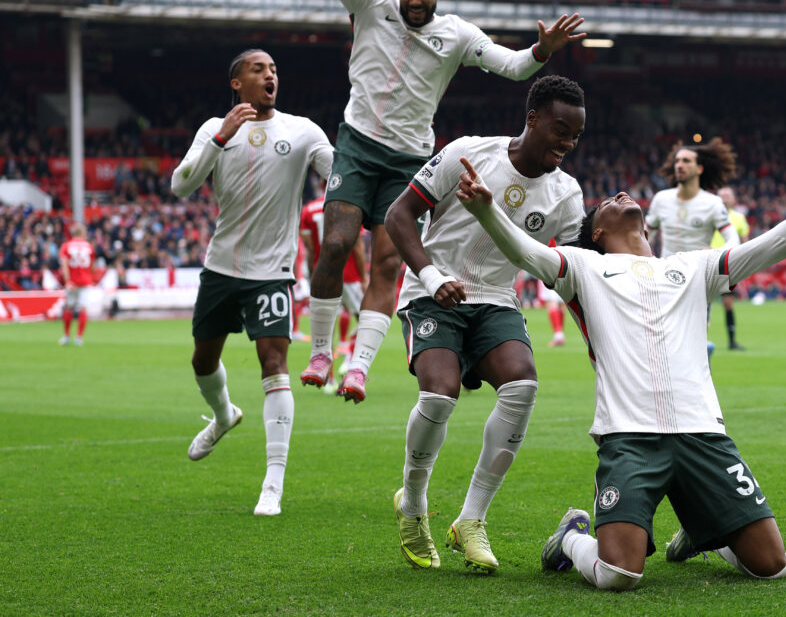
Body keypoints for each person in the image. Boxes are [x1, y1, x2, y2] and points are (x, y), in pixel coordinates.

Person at [455, 144, 786, 590]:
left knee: (771, 566)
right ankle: (569, 539)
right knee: (618, 574)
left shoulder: (694, 266)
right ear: (597, 232)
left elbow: (779, 241)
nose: (621, 193)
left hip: (703, 433)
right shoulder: (583, 267)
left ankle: (707, 532)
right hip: (630, 436)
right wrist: (488, 211)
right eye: (607, 203)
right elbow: (527, 254)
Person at [289, 0, 587, 405]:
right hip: (357, 142)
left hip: (409, 156)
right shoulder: (370, 2)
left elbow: (514, 68)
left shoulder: (457, 34)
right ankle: (319, 350)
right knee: (335, 243)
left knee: (386, 262)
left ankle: (357, 366)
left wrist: (541, 51)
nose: (414, 0)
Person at [382, 75, 587, 572]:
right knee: (439, 394)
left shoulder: (565, 194)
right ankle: (412, 504)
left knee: (522, 385)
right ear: (532, 118)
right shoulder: (469, 153)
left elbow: (583, 265)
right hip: (433, 294)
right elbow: (399, 214)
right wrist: (431, 277)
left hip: (495, 299)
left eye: (576, 135)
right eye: (560, 129)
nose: (567, 143)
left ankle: (471, 520)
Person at [171, 49, 333, 516]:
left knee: (274, 361)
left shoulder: (302, 131)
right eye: (258, 69)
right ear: (236, 83)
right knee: (203, 359)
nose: (270, 75)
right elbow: (181, 185)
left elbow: (338, 172)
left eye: (274, 69)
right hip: (221, 268)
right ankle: (224, 415)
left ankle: (272, 483)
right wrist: (221, 136)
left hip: (272, 272)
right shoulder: (212, 129)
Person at [646, 139, 740, 356]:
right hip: (663, 279)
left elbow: (732, 238)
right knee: (663, 343)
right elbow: (645, 235)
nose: (679, 165)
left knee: (691, 345)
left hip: (697, 281)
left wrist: (717, 254)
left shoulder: (712, 203)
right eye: (678, 161)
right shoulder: (661, 199)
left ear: (699, 168)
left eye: (686, 161)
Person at [298, 191, 367, 393]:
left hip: (324, 273)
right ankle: (350, 362)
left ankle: (326, 377)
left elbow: (310, 250)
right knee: (367, 319)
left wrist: (313, 277)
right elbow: (358, 247)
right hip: (350, 274)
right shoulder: (349, 204)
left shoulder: (308, 210)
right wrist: (364, 277)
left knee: (326, 327)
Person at [711, 186, 750, 350]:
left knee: (728, 304)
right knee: (701, 304)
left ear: (733, 199)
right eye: (721, 196)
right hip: (708, 261)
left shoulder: (739, 218)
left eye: (727, 196)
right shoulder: (710, 216)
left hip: (727, 264)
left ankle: (732, 341)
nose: (724, 198)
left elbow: (746, 242)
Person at [58, 222, 96, 346]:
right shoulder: (89, 246)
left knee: (69, 307)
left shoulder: (66, 246)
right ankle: (79, 337)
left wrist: (67, 280)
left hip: (72, 281)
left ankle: (67, 336)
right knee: (83, 309)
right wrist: (89, 276)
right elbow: (92, 265)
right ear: (82, 233)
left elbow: (64, 264)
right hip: (85, 281)